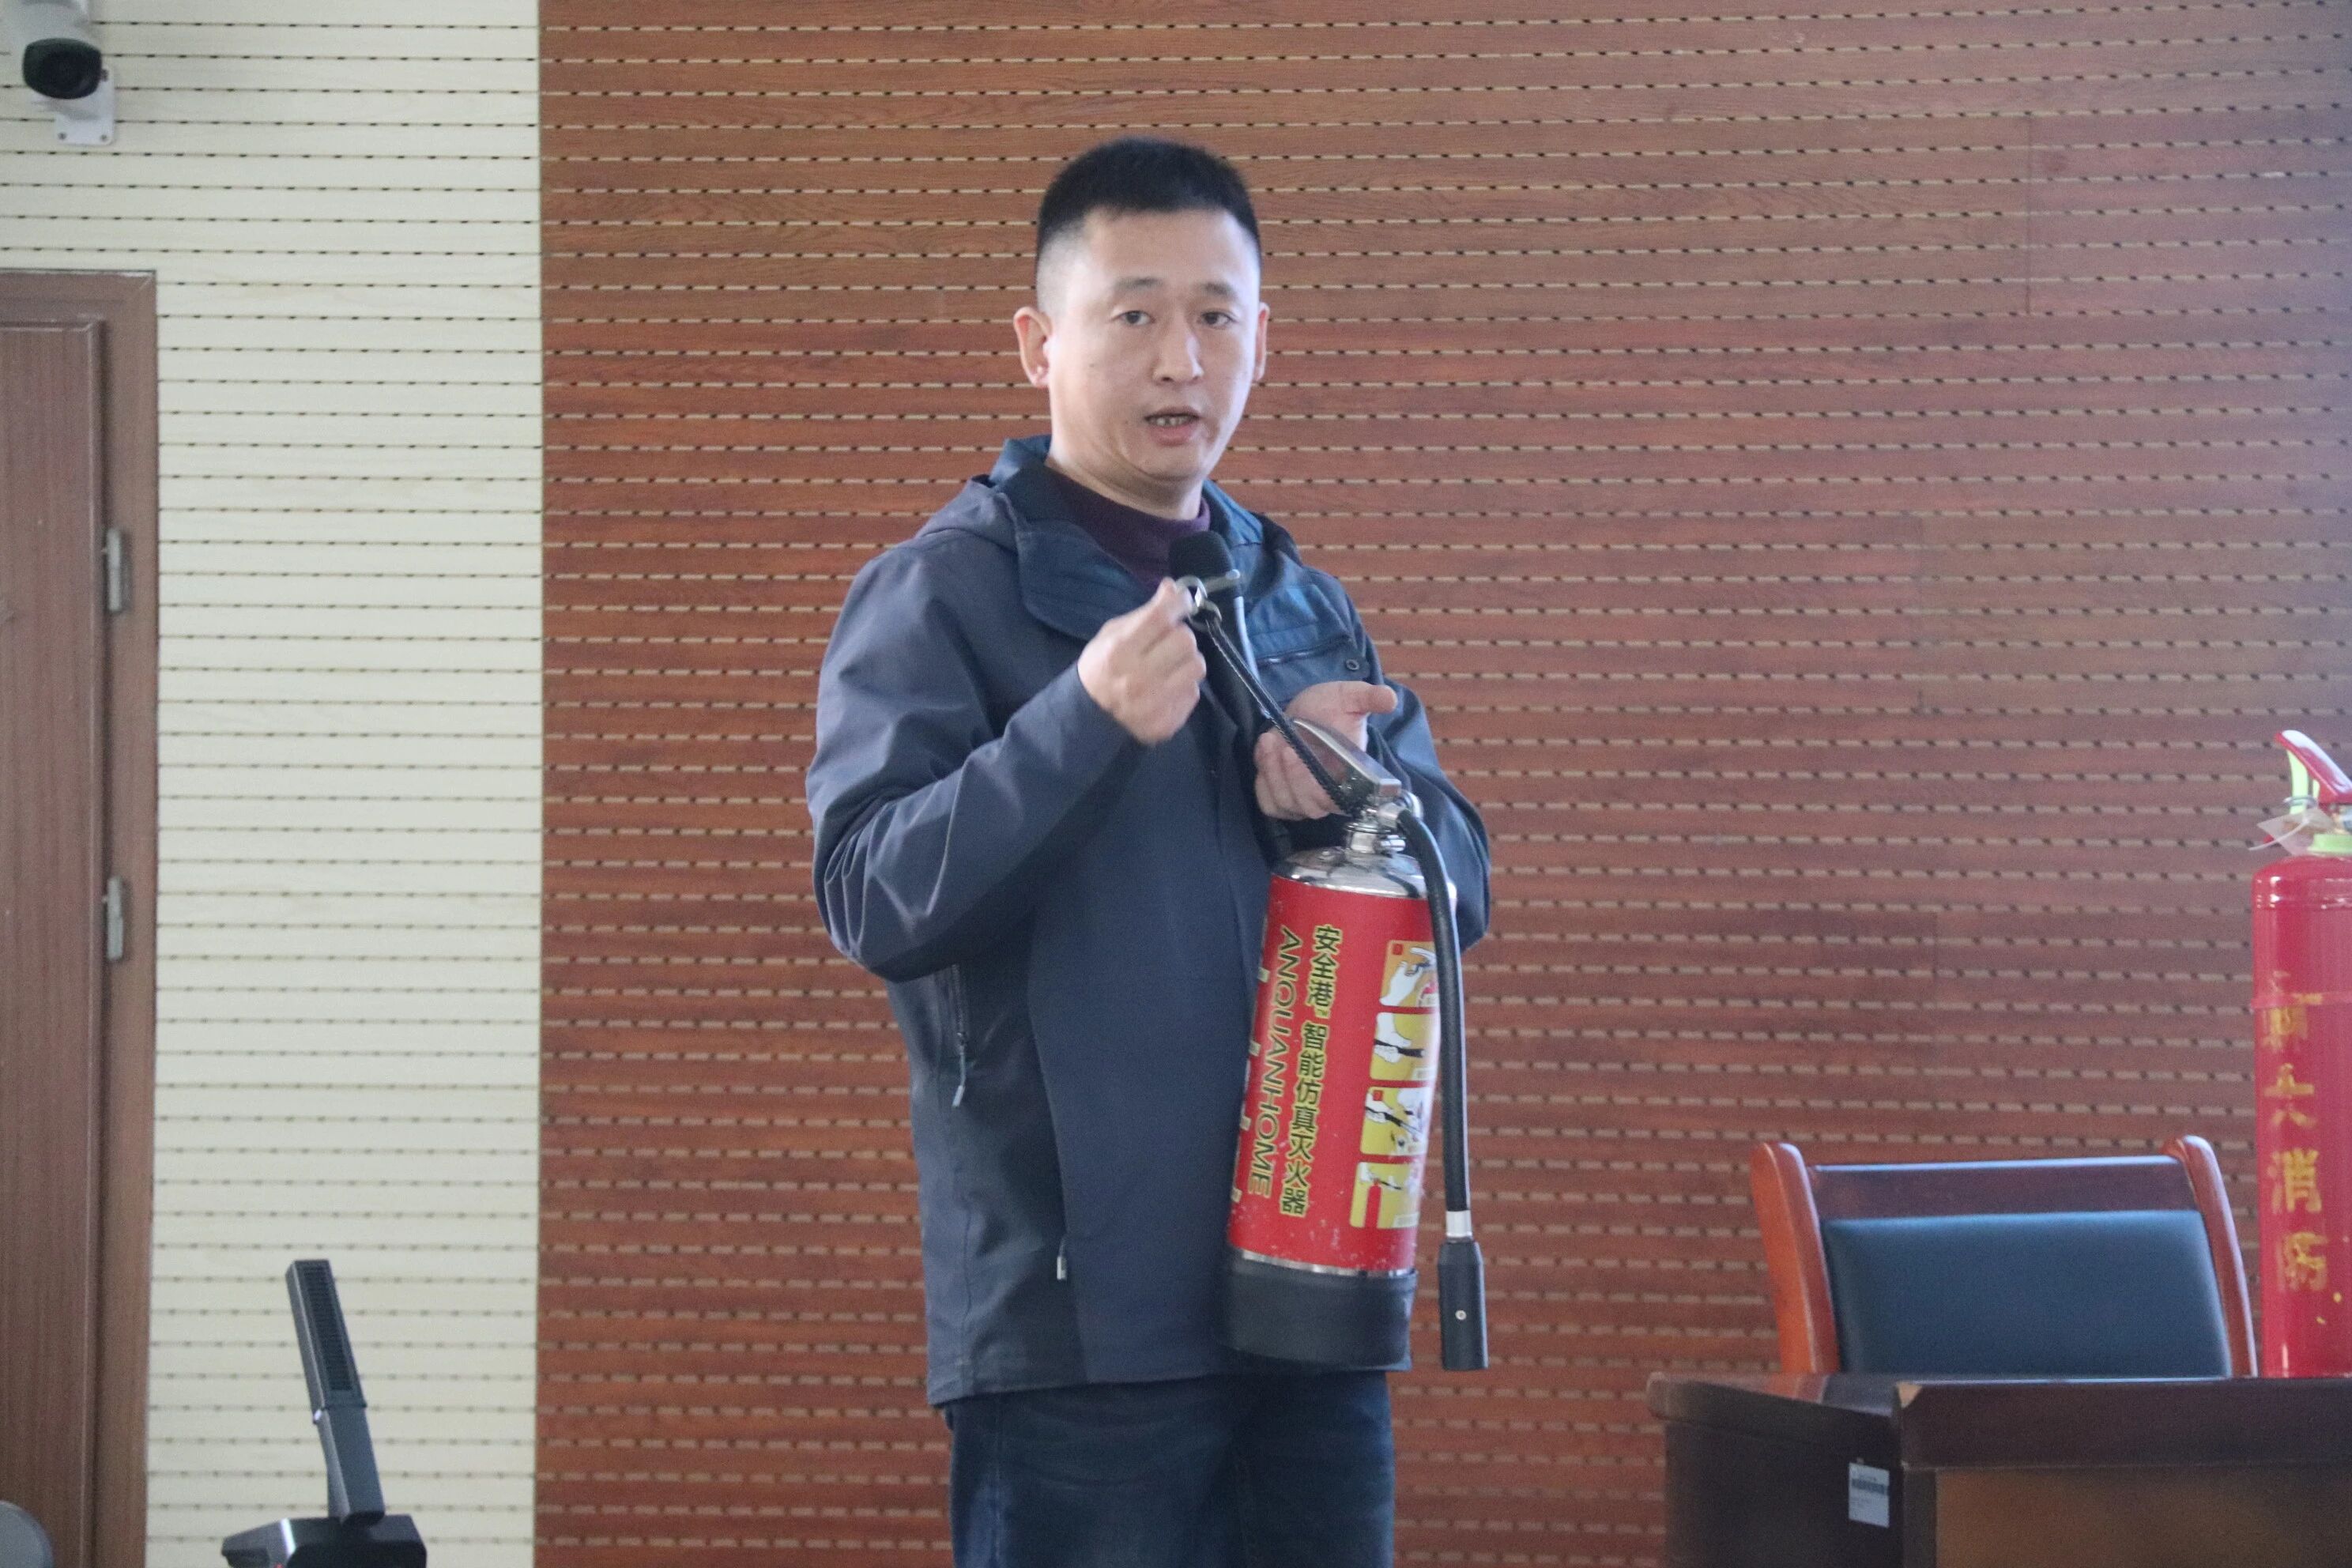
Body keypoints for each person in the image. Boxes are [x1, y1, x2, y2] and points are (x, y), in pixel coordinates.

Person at [806, 137, 1491, 1568]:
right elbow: (872, 895)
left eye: (1216, 315)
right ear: (1038, 344)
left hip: (1312, 1294)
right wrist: (1083, 723)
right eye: (1134, 315)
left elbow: (1459, 886)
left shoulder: (1297, 601)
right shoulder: (941, 595)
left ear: (1262, 342)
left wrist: (1359, 803)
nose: (1182, 358)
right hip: (1080, 1330)